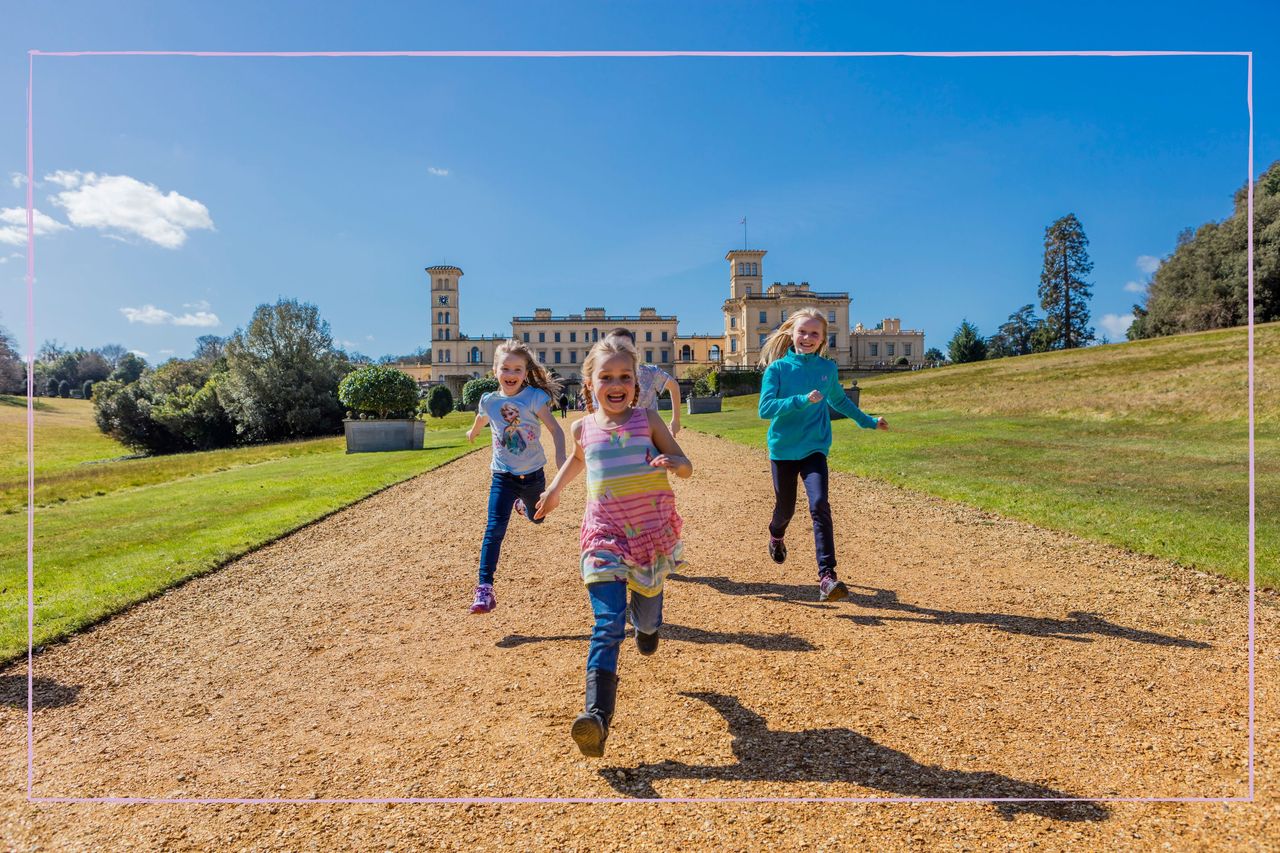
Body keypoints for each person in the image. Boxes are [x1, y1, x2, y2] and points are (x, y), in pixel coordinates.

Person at [535, 335, 692, 757]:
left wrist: (675, 463)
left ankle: (649, 627)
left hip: (649, 536)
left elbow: (686, 466)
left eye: (625, 376)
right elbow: (578, 460)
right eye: (606, 376)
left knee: (646, 611)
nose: (616, 383)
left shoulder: (648, 421)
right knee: (607, 623)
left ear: (636, 383)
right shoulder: (582, 427)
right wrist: (554, 491)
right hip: (603, 536)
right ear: (590, 382)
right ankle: (597, 717)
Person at [757, 307, 888, 602]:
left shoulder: (826, 370)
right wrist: (801, 400)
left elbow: (840, 401)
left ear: (822, 340)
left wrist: (868, 421)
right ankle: (776, 536)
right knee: (785, 509)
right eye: (802, 331)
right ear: (791, 333)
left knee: (819, 504)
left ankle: (826, 576)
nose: (807, 337)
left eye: (814, 333)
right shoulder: (777, 370)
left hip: (815, 447)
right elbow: (765, 409)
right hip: (783, 450)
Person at [464, 339, 566, 614]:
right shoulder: (489, 400)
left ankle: (523, 506)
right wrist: (472, 433)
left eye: (517, 369)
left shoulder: (533, 397)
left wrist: (560, 459)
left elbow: (556, 430)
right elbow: (481, 418)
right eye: (505, 368)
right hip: (503, 476)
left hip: (533, 476)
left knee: (538, 518)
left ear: (525, 372)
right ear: (494, 369)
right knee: (493, 529)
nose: (511, 375)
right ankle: (484, 589)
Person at [604, 327, 680, 434]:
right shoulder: (602, 381)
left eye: (625, 348)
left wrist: (675, 420)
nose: (619, 352)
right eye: (614, 348)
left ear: (634, 351)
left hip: (650, 437)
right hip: (619, 439)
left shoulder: (651, 372)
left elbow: (674, 386)